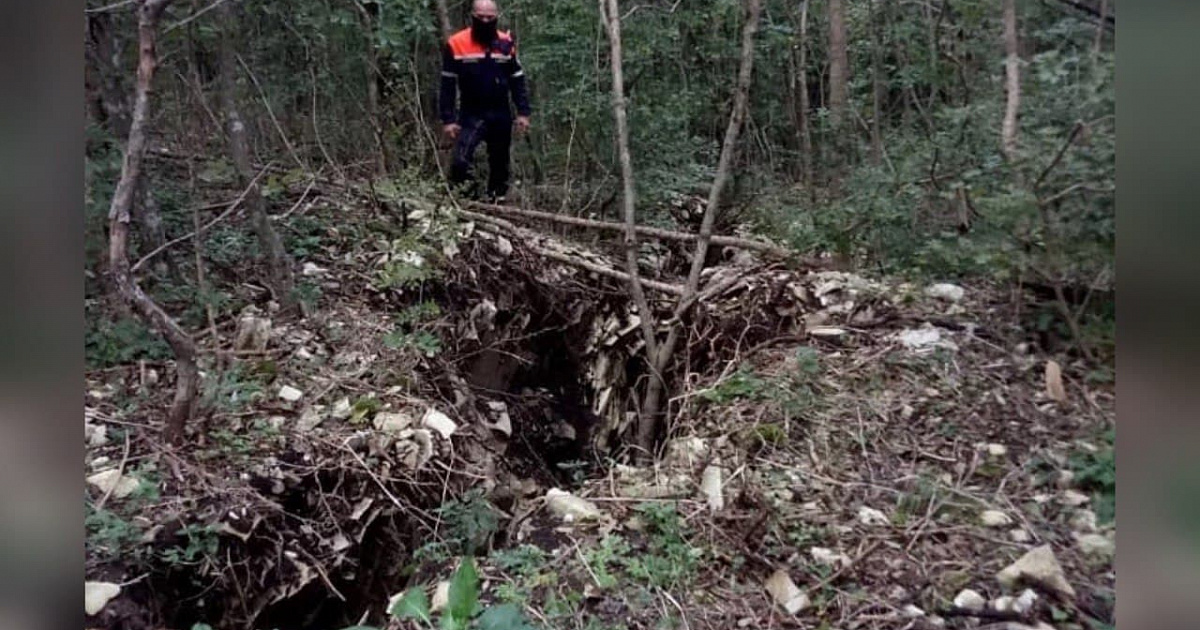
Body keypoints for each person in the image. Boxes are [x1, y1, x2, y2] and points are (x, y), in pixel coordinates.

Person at [439, 0, 531, 202]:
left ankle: (496, 203)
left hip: (500, 112)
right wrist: (448, 119)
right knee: (461, 160)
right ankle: (466, 203)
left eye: (490, 18)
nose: (486, 21)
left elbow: (517, 79)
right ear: (472, 16)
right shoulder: (457, 43)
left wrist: (523, 112)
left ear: (496, 17)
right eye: (481, 17)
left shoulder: (505, 43)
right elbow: (447, 83)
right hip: (471, 112)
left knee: (500, 163)